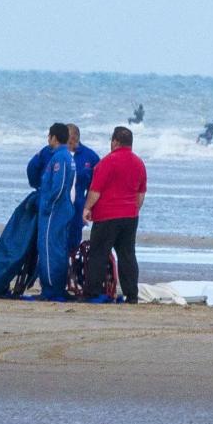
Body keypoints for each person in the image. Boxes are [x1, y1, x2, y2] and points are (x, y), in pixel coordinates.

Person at [82, 126, 147, 304]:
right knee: (127, 255)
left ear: (115, 141)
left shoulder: (107, 162)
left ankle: (94, 292)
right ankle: (131, 294)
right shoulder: (139, 163)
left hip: (107, 216)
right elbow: (140, 194)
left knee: (98, 253)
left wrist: (87, 208)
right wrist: (133, 211)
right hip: (130, 216)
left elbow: (95, 191)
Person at [36, 123, 75, 300]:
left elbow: (59, 186)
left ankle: (52, 288)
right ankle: (54, 286)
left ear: (54, 137)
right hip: (59, 209)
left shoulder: (61, 157)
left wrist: (49, 205)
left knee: (50, 248)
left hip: (55, 211)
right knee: (57, 247)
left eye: (49, 136)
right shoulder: (64, 156)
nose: (47, 140)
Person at [66, 123, 100, 253]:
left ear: (76, 139)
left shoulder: (90, 156)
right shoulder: (54, 153)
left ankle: (72, 268)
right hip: (56, 204)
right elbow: (34, 170)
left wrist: (89, 206)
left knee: (73, 241)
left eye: (70, 140)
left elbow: (98, 184)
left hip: (78, 204)